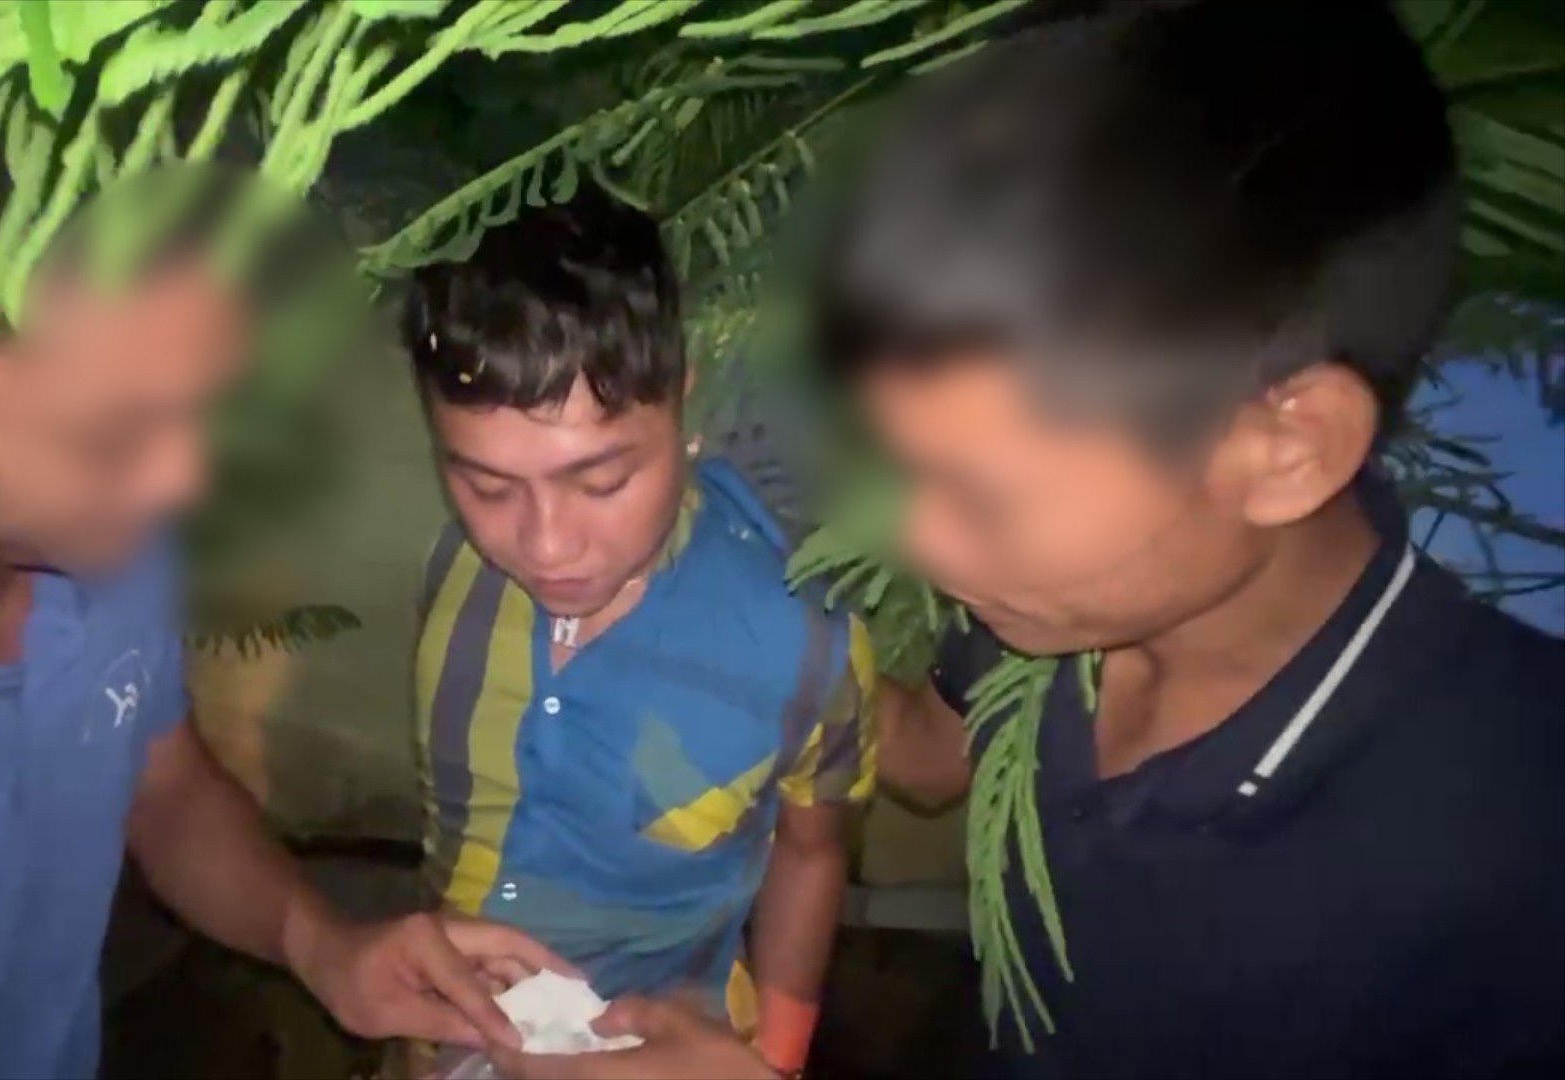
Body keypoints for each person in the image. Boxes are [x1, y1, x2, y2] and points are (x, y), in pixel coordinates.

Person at [502, 3, 1564, 1079]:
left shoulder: (1507, 870)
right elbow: (928, 759)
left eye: (981, 497)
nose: (920, 544)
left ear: (1284, 450)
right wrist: (701, 589)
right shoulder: (1071, 610)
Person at [0, 174, 567, 1078]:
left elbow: (162, 784)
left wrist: (318, 942)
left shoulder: (88, 535)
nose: (184, 481)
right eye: (109, 435)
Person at [401, 183, 877, 1079]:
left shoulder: (803, 643)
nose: (546, 545)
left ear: (682, 407)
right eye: (487, 487)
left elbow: (812, 853)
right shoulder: (452, 564)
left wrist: (775, 1063)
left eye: (602, 481)